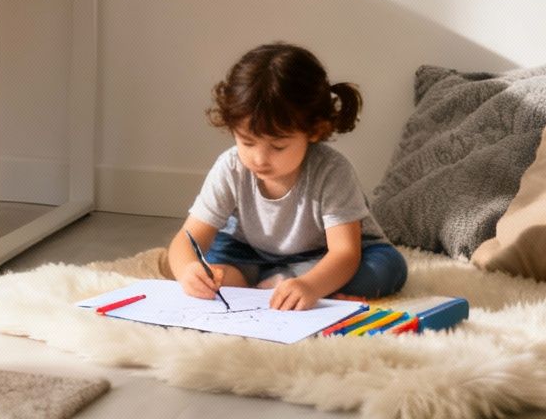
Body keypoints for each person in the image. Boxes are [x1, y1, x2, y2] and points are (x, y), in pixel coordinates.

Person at [166, 42, 406, 309]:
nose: (259, 158)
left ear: (314, 131)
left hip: (324, 254)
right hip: (247, 252)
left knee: (388, 269)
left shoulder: (331, 170)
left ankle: (284, 280)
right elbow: (185, 240)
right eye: (246, 142)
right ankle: (272, 281)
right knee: (210, 273)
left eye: (278, 146)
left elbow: (345, 253)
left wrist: (311, 285)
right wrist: (188, 270)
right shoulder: (230, 167)